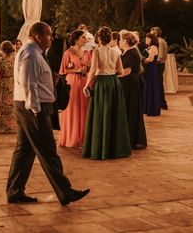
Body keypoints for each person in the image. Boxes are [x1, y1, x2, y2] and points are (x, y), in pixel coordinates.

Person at [7, 22, 89, 206]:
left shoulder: (34, 52)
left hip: (27, 106)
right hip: (33, 108)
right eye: (49, 35)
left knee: (24, 151)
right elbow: (28, 83)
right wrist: (35, 109)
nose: (51, 38)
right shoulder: (30, 53)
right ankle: (65, 191)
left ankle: (15, 190)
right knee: (48, 151)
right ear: (38, 36)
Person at [82, 26, 132, 160]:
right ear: (110, 39)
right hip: (114, 83)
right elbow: (121, 71)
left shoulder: (97, 51)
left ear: (98, 38)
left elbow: (92, 71)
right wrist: (111, 72)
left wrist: (86, 85)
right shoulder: (116, 52)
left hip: (101, 83)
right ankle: (115, 149)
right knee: (114, 115)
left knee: (100, 114)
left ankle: (100, 149)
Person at [58, 30, 91, 148]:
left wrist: (88, 69)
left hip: (85, 82)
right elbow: (63, 70)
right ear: (76, 39)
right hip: (72, 83)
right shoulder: (68, 53)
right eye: (83, 37)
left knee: (84, 110)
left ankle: (83, 139)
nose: (85, 39)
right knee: (72, 109)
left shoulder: (88, 53)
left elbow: (91, 67)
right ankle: (71, 138)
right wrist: (78, 70)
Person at [118, 30, 147, 149]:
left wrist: (112, 75)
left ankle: (131, 139)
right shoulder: (128, 51)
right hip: (129, 84)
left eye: (120, 39)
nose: (119, 42)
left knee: (131, 110)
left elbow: (126, 71)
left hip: (130, 85)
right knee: (129, 110)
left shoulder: (131, 53)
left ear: (125, 41)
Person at [0, 41, 16, 134]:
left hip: (3, 84)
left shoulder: (1, 60)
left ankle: (3, 126)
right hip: (13, 83)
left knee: (2, 105)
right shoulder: (15, 59)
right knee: (11, 105)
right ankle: (12, 125)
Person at [142, 32, 161, 117]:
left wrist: (141, 60)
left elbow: (150, 59)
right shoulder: (149, 47)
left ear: (152, 39)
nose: (146, 39)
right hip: (148, 70)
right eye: (146, 38)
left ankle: (152, 109)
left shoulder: (153, 47)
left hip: (152, 70)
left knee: (151, 87)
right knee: (148, 88)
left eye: (148, 38)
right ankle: (147, 108)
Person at [151, 26, 169, 110]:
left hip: (159, 65)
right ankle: (160, 102)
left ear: (155, 33)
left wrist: (153, 61)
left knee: (159, 85)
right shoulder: (160, 41)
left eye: (151, 33)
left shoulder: (160, 42)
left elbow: (160, 56)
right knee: (158, 84)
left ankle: (162, 103)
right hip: (159, 65)